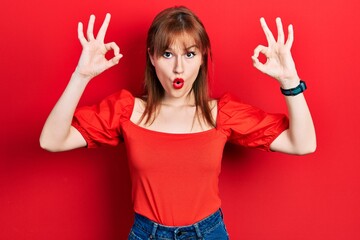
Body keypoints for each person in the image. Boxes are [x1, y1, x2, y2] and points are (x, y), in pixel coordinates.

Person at [40, 6, 316, 240]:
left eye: (190, 54)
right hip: (147, 233)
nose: (179, 69)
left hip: (209, 233)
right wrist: (81, 76)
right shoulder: (127, 110)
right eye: (168, 54)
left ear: (202, 58)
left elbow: (302, 144)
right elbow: (52, 140)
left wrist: (290, 82)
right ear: (151, 57)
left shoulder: (222, 113)